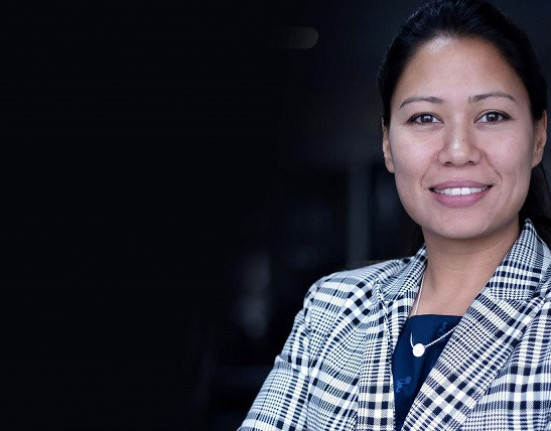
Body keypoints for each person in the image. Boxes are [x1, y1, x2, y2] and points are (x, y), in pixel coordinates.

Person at [239, 0, 551, 429]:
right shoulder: (332, 308)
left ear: (538, 136)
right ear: (387, 144)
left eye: (492, 115)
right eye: (425, 118)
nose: (458, 151)